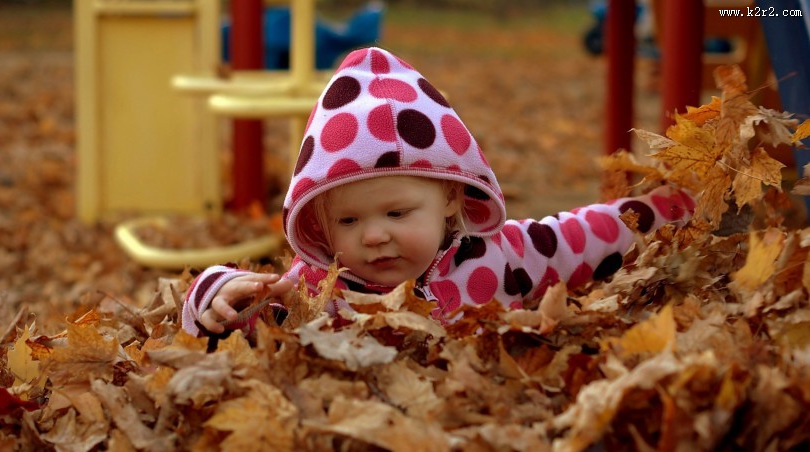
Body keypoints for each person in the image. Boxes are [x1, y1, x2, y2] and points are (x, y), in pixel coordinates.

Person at [182, 46, 694, 337]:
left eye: (397, 213)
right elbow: (237, 311)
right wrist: (214, 296)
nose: (375, 236)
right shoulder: (316, 289)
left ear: (450, 196)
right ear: (320, 224)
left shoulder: (500, 258)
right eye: (349, 222)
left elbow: (583, 237)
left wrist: (673, 209)